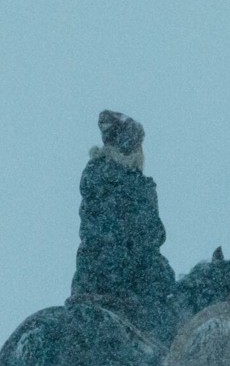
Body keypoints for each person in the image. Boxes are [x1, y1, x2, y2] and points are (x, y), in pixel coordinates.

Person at [70, 109, 180, 344]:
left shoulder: (96, 178)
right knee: (172, 342)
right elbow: (147, 242)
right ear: (132, 150)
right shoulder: (133, 186)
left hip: (87, 283)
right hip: (129, 289)